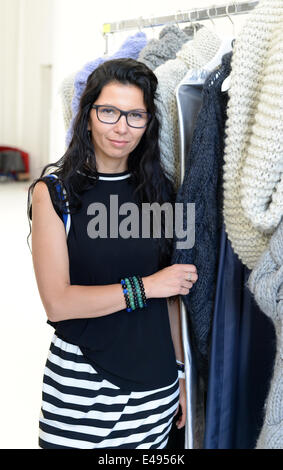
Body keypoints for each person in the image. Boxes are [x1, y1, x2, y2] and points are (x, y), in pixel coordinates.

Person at [27, 58, 198, 449]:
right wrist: (148, 286)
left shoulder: (162, 194)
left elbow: (172, 298)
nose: (122, 127)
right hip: (82, 394)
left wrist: (181, 374)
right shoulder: (54, 194)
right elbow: (58, 303)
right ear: (88, 116)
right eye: (109, 112)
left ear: (148, 123)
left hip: (157, 392)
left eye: (136, 115)